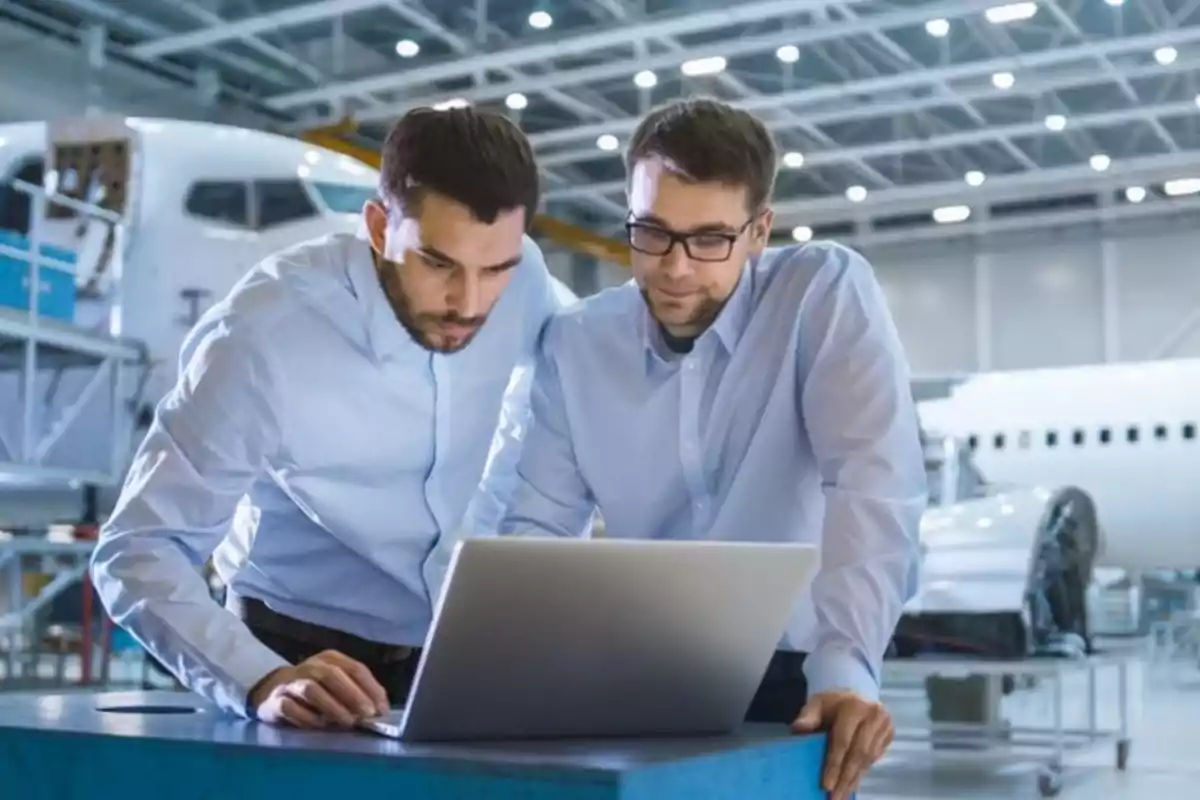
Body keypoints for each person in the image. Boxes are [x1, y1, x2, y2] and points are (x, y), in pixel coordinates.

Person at [469, 98, 927, 800]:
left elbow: (871, 482)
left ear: (759, 231)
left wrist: (845, 668)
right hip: (639, 678)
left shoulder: (820, 293)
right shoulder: (577, 345)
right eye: (652, 232)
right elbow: (535, 528)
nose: (676, 268)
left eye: (710, 239)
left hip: (797, 678)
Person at [90, 106, 570, 730]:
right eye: (438, 263)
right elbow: (138, 549)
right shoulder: (263, 336)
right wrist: (258, 678)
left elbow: (564, 393)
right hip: (297, 651)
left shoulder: (525, 274)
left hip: (454, 649)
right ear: (377, 226)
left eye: (495, 269)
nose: (469, 302)